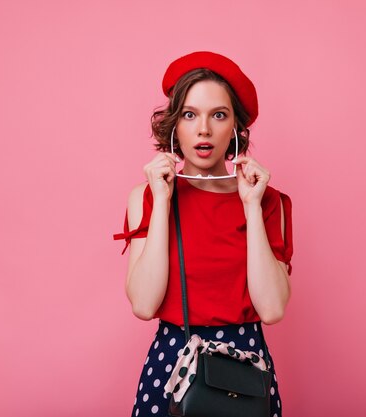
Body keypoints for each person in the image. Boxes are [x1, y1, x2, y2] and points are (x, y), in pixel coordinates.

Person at [114, 51, 293, 417]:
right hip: (172, 363)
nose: (204, 130)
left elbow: (272, 309)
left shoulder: (266, 200)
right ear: (174, 124)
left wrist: (250, 206)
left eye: (219, 115)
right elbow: (144, 305)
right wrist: (163, 201)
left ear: (236, 129)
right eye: (190, 114)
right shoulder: (147, 197)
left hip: (244, 369)